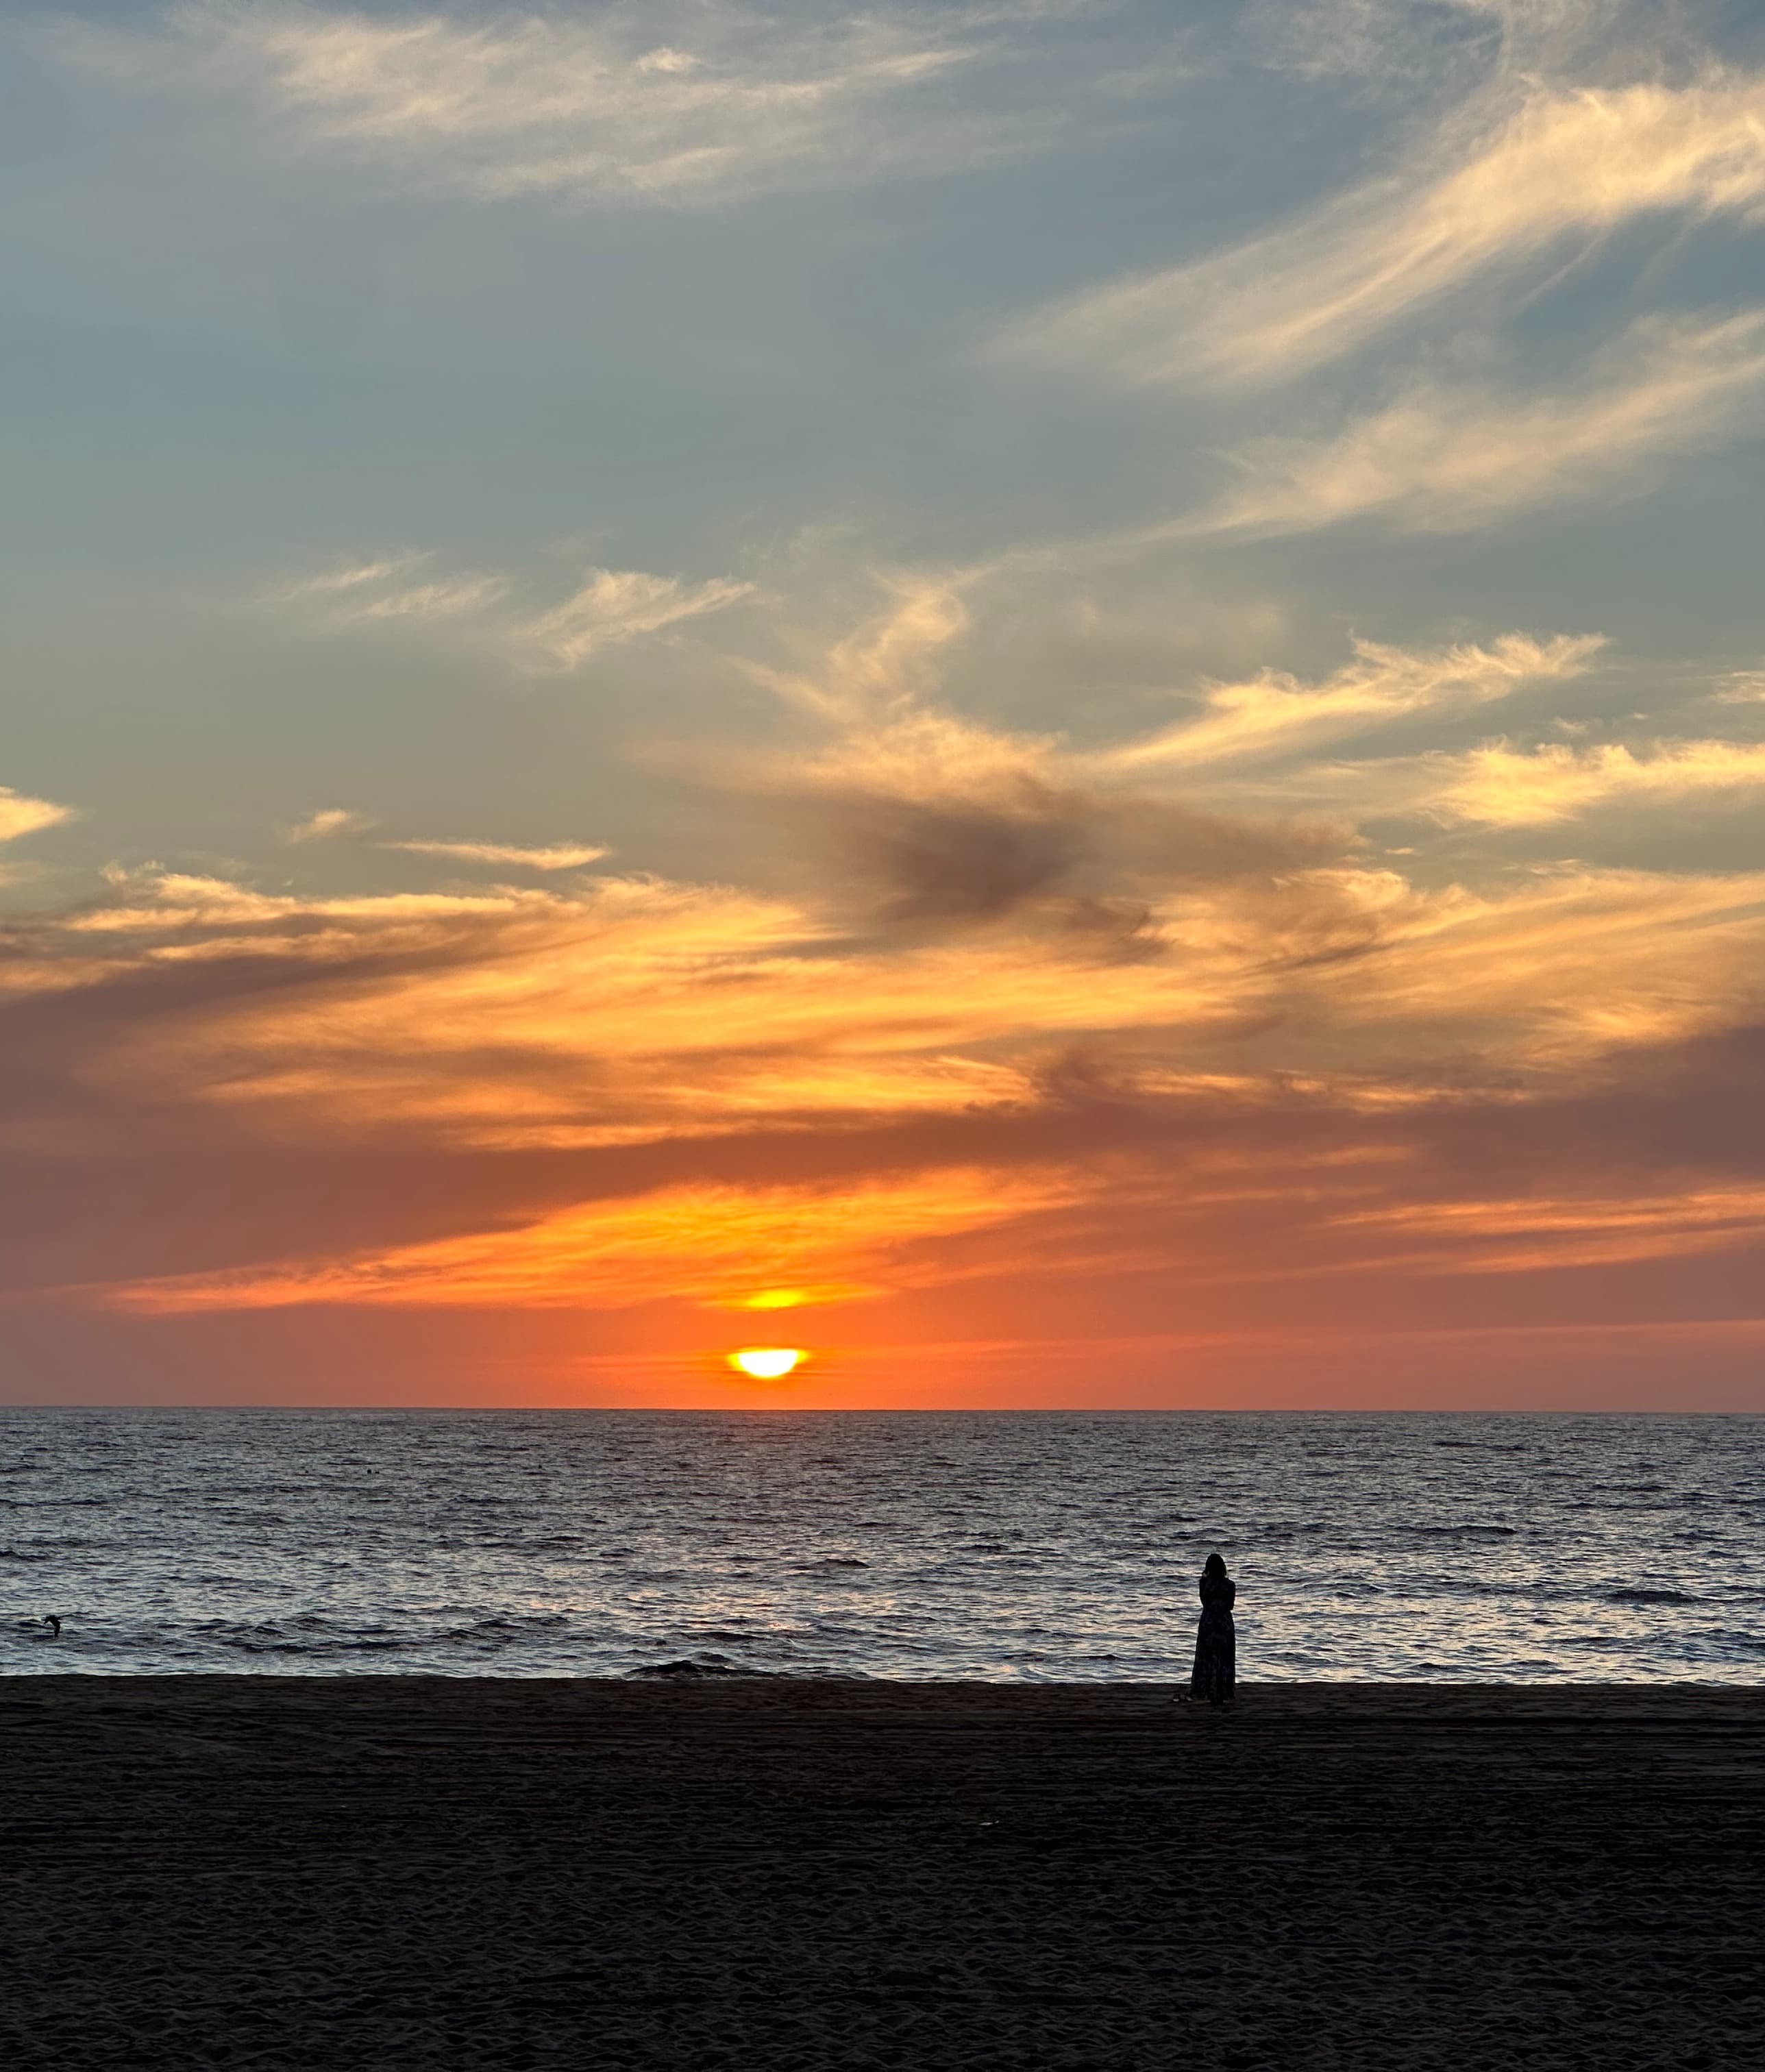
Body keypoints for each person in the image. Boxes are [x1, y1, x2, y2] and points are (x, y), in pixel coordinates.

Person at [1189, 1553, 1235, 1708]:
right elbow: (1230, 1605)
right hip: (1224, 1622)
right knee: (1224, 1657)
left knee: (1206, 1656)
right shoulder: (1230, 1585)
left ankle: (1205, 1689)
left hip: (1208, 1621)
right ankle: (1224, 1690)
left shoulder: (1204, 1583)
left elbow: (1204, 1601)